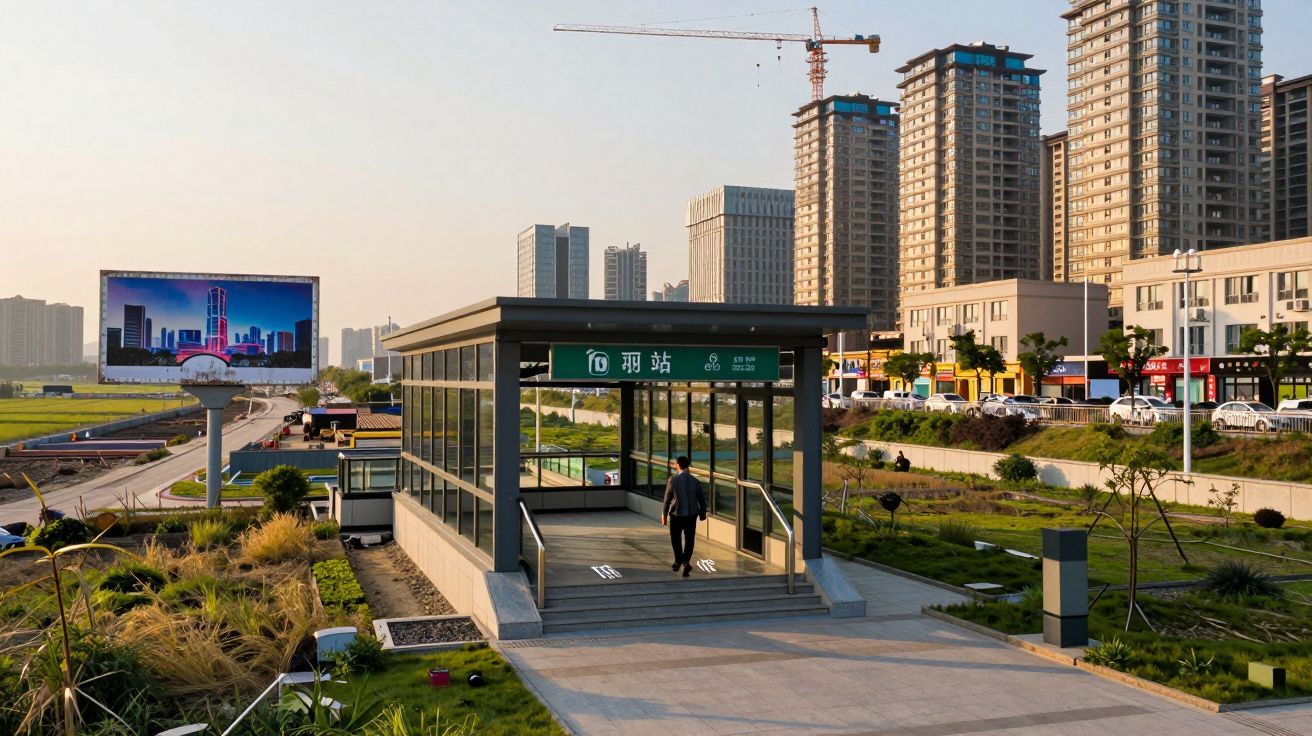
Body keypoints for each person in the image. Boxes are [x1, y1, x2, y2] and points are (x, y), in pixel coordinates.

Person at [661, 456, 707, 577]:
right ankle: (685, 562)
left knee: (675, 539)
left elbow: (667, 499)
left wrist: (664, 515)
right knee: (689, 539)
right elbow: (701, 499)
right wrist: (702, 514)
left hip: (677, 514)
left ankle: (678, 560)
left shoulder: (673, 479)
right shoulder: (695, 481)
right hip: (691, 515)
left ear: (677, 465)